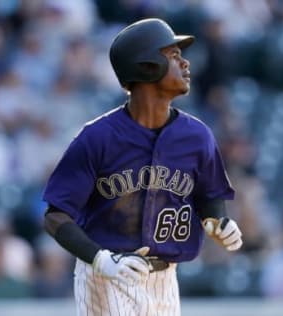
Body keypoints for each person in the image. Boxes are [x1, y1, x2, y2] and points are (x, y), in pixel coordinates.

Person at [43, 18, 243, 316]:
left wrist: (219, 221)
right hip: (108, 276)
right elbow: (56, 217)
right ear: (147, 66)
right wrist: (100, 259)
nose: (186, 64)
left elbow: (209, 195)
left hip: (165, 280)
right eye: (174, 56)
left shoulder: (197, 135)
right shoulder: (97, 137)